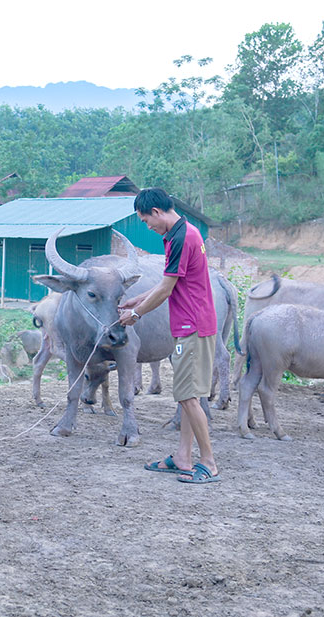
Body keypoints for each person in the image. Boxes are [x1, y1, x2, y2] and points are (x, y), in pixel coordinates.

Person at [117, 188, 220, 484]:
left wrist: (136, 316)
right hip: (191, 323)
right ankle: (183, 457)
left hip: (193, 325)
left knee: (188, 396)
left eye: (147, 220)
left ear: (158, 213)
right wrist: (137, 300)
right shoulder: (182, 233)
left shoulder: (182, 238)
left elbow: (165, 290)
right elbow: (168, 281)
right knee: (189, 395)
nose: (148, 226)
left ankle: (209, 463)